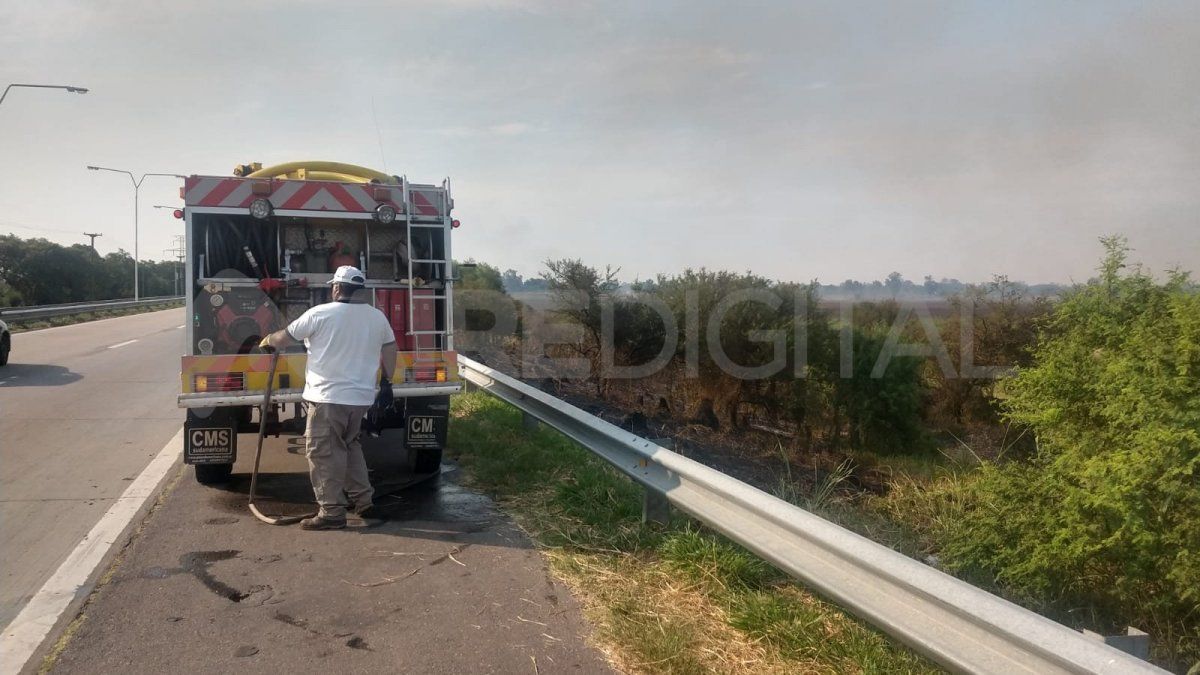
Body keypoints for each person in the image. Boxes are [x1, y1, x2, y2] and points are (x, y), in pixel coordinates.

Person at [259, 265, 397, 530]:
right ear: (360, 290)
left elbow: (283, 339)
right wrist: (387, 381)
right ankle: (364, 502)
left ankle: (332, 512)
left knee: (323, 452)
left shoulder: (319, 314)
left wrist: (267, 341)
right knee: (349, 445)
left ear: (336, 288)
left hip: (328, 398)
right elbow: (390, 348)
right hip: (360, 398)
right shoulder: (377, 317)